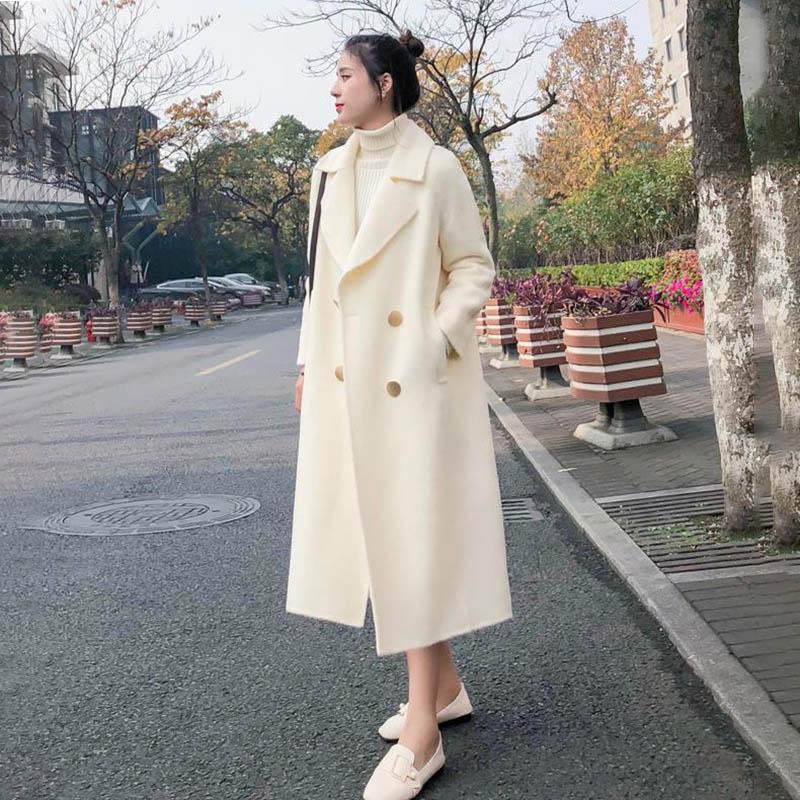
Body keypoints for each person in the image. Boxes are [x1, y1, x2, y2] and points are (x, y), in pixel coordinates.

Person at [288, 28, 512, 800]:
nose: (334, 88)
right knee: (382, 531)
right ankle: (444, 689)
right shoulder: (328, 172)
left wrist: (432, 339)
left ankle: (424, 731)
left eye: (345, 75)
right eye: (333, 76)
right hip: (349, 384)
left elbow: (473, 266)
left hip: (414, 386)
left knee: (409, 537)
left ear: (384, 84)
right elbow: (320, 283)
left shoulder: (435, 167)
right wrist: (308, 363)